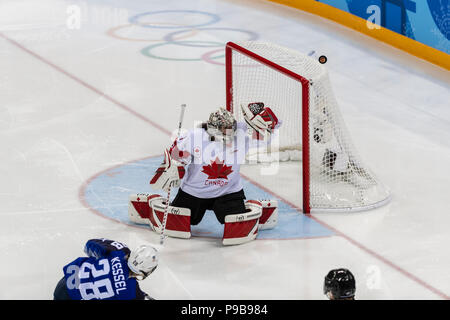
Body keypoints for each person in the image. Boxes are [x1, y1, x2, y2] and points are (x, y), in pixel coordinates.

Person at [129, 103, 280, 245]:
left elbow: (269, 133)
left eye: (230, 128)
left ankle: (253, 206)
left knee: (237, 225)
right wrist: (174, 166)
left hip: (228, 192)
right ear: (213, 128)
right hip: (194, 192)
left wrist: (264, 119)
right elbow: (176, 155)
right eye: (224, 129)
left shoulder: (241, 134)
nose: (228, 132)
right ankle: (150, 204)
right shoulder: (195, 137)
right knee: (179, 223)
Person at [53, 238, 158, 300]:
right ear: (146, 272)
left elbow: (89, 244)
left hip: (66, 281)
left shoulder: (119, 251)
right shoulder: (133, 293)